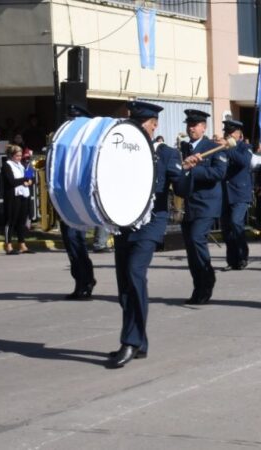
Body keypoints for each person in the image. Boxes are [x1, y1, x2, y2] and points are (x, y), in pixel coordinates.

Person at [107, 100, 197, 368]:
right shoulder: (123, 151)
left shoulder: (166, 153)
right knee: (124, 284)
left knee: (135, 274)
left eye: (142, 124)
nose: (136, 128)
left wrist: (188, 170)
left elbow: (180, 189)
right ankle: (140, 342)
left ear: (154, 125)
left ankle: (130, 342)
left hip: (151, 223)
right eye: (134, 123)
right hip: (124, 222)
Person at [180, 109, 228, 305]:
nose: (191, 128)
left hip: (207, 204)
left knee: (196, 238)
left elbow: (219, 173)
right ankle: (198, 286)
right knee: (191, 248)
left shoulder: (214, 147)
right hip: (189, 204)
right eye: (189, 125)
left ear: (204, 127)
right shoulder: (183, 148)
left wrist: (195, 169)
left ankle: (207, 280)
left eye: (195, 125)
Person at [60, 104, 97, 300]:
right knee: (71, 243)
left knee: (76, 242)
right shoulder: (65, 145)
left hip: (78, 202)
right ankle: (81, 281)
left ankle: (85, 281)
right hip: (65, 201)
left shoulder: (86, 146)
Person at [220, 119, 254, 270]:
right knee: (227, 228)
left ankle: (242, 256)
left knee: (236, 222)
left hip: (240, 193)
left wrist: (228, 148)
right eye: (225, 133)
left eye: (230, 134)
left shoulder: (245, 148)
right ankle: (232, 260)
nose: (226, 136)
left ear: (238, 135)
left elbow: (244, 162)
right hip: (225, 193)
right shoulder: (222, 148)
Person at [1, 145, 35, 255]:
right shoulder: (7, 165)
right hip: (12, 196)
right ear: (11, 155)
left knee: (21, 221)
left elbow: (29, 177)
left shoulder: (22, 165)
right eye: (17, 156)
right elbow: (11, 181)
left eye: (20, 155)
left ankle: (22, 244)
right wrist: (24, 180)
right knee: (10, 220)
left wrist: (30, 180)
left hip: (23, 195)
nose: (19, 158)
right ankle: (8, 245)